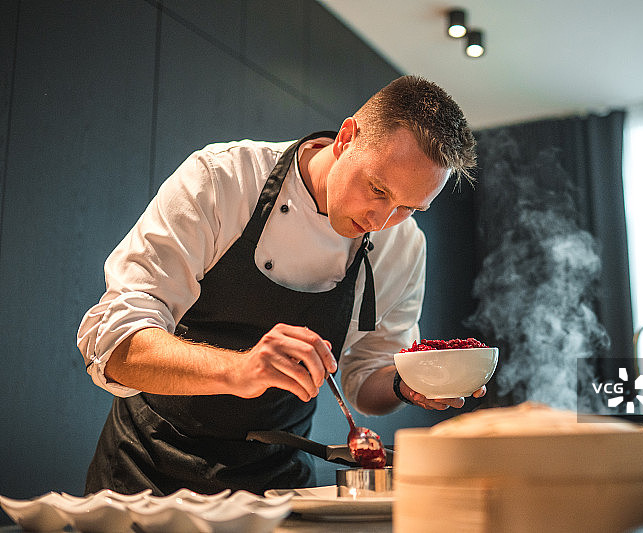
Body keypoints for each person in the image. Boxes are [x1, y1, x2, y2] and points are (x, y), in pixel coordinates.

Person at [76, 75, 480, 496]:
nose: (382, 221)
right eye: (377, 189)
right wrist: (239, 370)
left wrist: (407, 383)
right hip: (148, 467)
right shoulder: (222, 179)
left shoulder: (404, 246)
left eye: (409, 208)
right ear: (346, 138)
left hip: (275, 482)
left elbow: (365, 382)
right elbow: (114, 345)